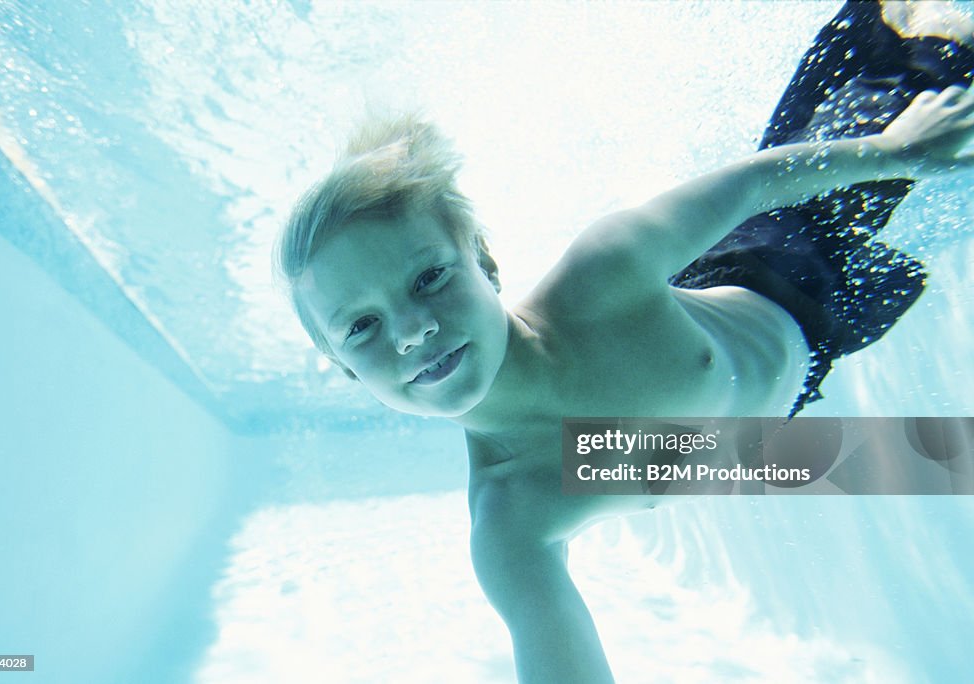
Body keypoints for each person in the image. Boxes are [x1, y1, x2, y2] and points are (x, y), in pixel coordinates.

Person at [275, 2, 974, 681]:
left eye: (429, 276)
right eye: (361, 327)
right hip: (798, 377)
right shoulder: (514, 516)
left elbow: (758, 183)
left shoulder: (601, 279)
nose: (413, 329)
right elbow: (710, 458)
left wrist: (890, 151)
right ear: (343, 371)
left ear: (484, 264)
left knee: (930, 57)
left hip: (786, 251)